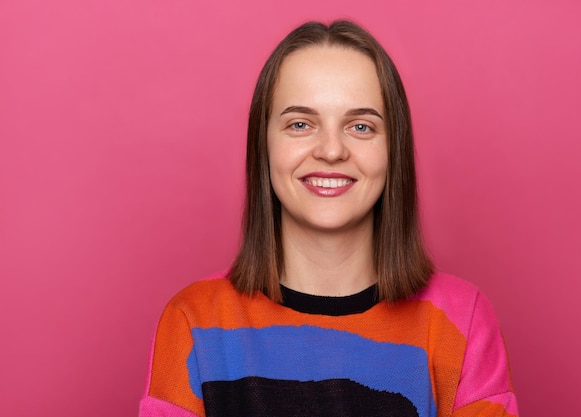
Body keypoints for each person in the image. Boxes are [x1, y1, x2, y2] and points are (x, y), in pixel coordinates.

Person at [139, 20, 518, 417]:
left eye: (360, 126)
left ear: (394, 151)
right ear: (263, 145)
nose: (332, 150)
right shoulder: (193, 323)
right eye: (300, 124)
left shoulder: (461, 320)